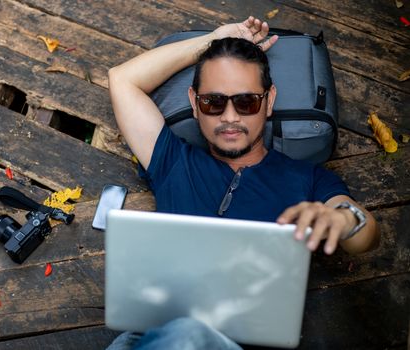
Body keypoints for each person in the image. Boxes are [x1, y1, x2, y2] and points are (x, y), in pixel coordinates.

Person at [106, 16, 380, 350]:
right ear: (195, 104)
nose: (230, 116)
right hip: (152, 334)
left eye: (246, 101)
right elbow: (121, 79)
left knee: (188, 335)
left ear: (269, 101)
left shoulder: (307, 177)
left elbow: (364, 236)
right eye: (213, 102)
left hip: (242, 343)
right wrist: (213, 40)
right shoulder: (173, 160)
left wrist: (341, 219)